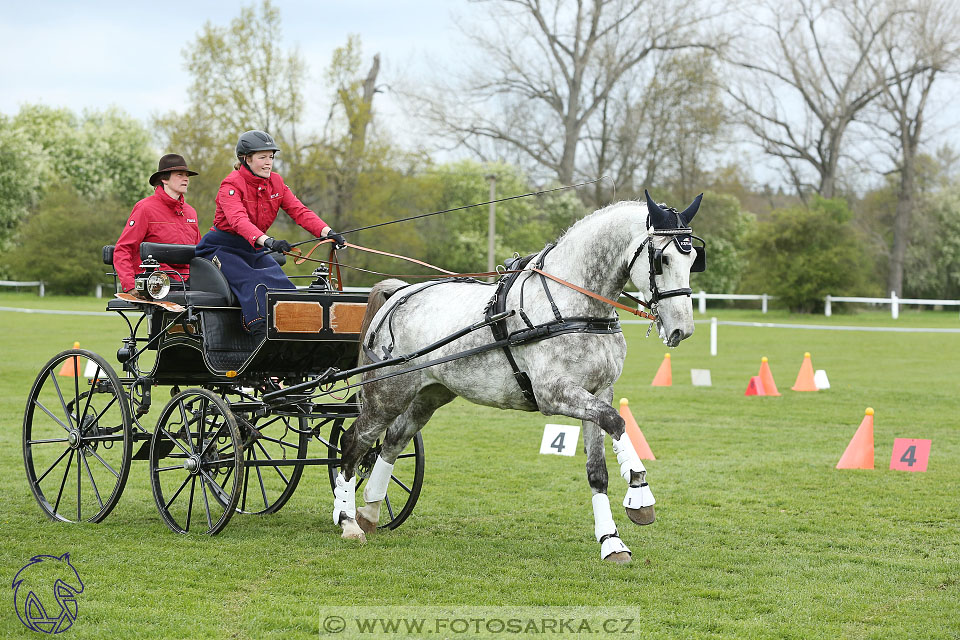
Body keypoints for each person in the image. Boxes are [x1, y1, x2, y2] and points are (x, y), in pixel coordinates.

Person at [196, 130, 346, 341]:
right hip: (221, 248)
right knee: (254, 283)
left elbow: (299, 211)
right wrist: (269, 241)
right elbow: (239, 221)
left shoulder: (276, 183)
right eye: (262, 157)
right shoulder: (230, 185)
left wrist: (327, 232)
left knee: (283, 286)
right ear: (246, 159)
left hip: (253, 247)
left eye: (271, 157)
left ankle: (292, 340)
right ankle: (261, 339)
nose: (269, 163)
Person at [113, 154, 201, 293]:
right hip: (157, 280)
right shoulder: (145, 208)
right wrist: (130, 286)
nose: (185, 179)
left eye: (187, 175)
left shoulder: (190, 212)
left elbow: (199, 252)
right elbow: (123, 249)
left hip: (188, 280)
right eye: (179, 175)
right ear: (164, 179)